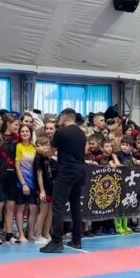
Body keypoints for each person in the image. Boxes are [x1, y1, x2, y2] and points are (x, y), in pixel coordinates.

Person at [40, 108, 87, 253]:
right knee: (75, 205)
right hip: (80, 170)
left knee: (58, 205)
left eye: (60, 117)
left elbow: (50, 151)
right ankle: (77, 240)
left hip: (67, 171)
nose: (59, 120)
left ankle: (56, 241)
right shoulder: (81, 133)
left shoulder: (61, 132)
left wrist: (40, 150)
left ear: (65, 117)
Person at [0, 114, 19, 245]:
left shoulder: (17, 139)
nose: (17, 127)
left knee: (10, 206)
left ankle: (9, 234)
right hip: (0, 176)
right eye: (15, 124)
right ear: (8, 124)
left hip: (13, 176)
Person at [14, 124, 37, 243]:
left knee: (33, 209)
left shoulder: (34, 147)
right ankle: (21, 234)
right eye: (22, 131)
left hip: (34, 183)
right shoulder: (18, 147)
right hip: (21, 183)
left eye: (27, 131)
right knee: (20, 209)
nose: (24, 133)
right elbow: (17, 166)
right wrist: (23, 184)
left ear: (31, 133)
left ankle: (31, 233)